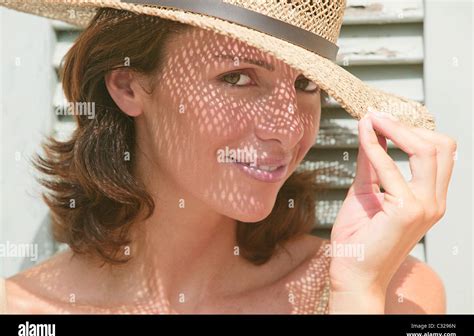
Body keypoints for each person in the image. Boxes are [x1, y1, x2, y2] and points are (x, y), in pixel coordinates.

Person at [1, 1, 455, 314]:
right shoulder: (23, 311)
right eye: (237, 77)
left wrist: (356, 292)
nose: (288, 128)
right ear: (128, 86)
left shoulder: (394, 294)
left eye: (305, 85)